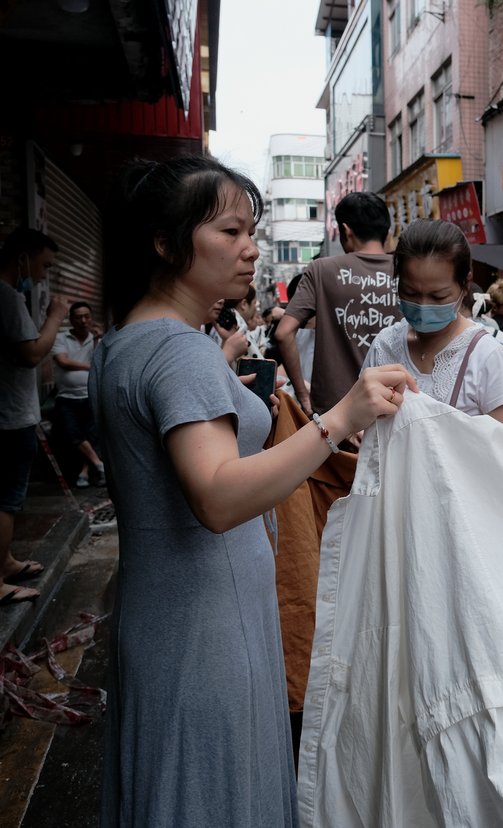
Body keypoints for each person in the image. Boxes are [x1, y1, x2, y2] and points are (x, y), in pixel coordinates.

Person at [93, 155, 413, 827]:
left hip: (160, 619)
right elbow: (217, 495)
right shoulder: (180, 352)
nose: (251, 248)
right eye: (231, 231)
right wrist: (340, 418)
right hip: (208, 630)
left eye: (253, 230)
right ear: (164, 241)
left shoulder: (125, 341)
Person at [363, 219, 503, 431]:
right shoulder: (385, 345)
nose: (422, 305)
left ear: (465, 284)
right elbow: (362, 420)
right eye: (410, 293)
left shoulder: (487, 356)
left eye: (438, 296)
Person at [275, 191, 398, 418]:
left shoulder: (320, 270)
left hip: (335, 415)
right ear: (386, 231)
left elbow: (283, 333)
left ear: (346, 230)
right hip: (395, 405)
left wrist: (303, 396)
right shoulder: (407, 270)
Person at [0, 228, 68, 605]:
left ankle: (6, 561)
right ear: (22, 257)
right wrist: (55, 316)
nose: (43, 274)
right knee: (7, 498)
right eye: (43, 265)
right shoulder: (8, 298)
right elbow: (31, 353)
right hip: (10, 417)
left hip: (12, 412)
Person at [51, 300, 105, 488]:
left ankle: (85, 472)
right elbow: (63, 361)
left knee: (91, 435)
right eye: (78, 317)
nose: (83, 320)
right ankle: (99, 464)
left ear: (91, 318)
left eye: (87, 316)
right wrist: (89, 367)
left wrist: (98, 340)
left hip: (90, 396)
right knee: (71, 433)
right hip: (67, 397)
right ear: (71, 320)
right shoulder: (61, 338)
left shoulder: (96, 338)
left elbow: (100, 364)